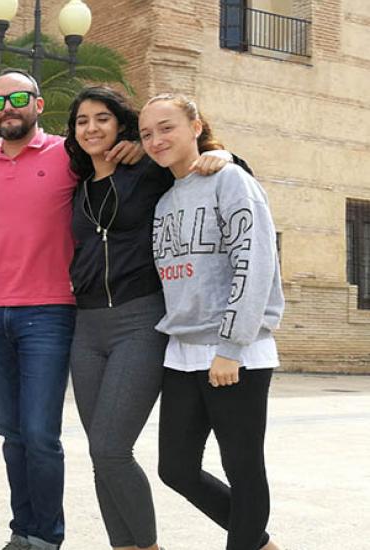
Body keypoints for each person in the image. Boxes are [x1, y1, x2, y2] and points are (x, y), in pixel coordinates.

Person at [0, 69, 143, 550]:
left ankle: (46, 536)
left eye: (20, 98)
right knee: (11, 433)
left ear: (38, 105)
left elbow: (127, 164)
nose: (9, 108)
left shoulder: (68, 154)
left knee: (41, 433)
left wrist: (140, 148)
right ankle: (21, 531)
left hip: (50, 311)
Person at [64, 87, 236, 550]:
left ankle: (171, 544)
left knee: (111, 448)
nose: (92, 128)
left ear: (121, 125)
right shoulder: (76, 187)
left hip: (139, 321)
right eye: (82, 121)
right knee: (101, 457)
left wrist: (225, 156)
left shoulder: (147, 173)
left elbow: (200, 165)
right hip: (86, 327)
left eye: (103, 118)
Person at [142, 94, 284, 550]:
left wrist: (231, 346)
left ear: (195, 126)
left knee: (242, 466)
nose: (157, 140)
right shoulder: (164, 201)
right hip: (183, 352)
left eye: (167, 127)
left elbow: (255, 260)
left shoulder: (231, 180)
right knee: (176, 468)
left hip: (234, 351)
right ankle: (258, 542)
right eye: (147, 134)